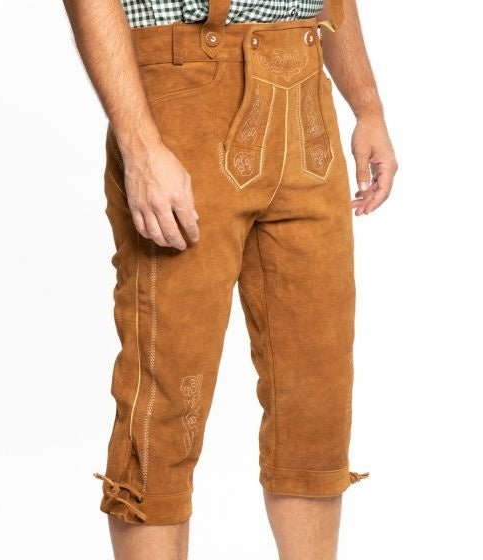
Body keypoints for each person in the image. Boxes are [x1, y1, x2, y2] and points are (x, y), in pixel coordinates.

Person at [63, 0, 397, 556]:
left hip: (306, 99)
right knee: (166, 406)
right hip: (184, 92)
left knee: (316, 402)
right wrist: (140, 146)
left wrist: (367, 105)